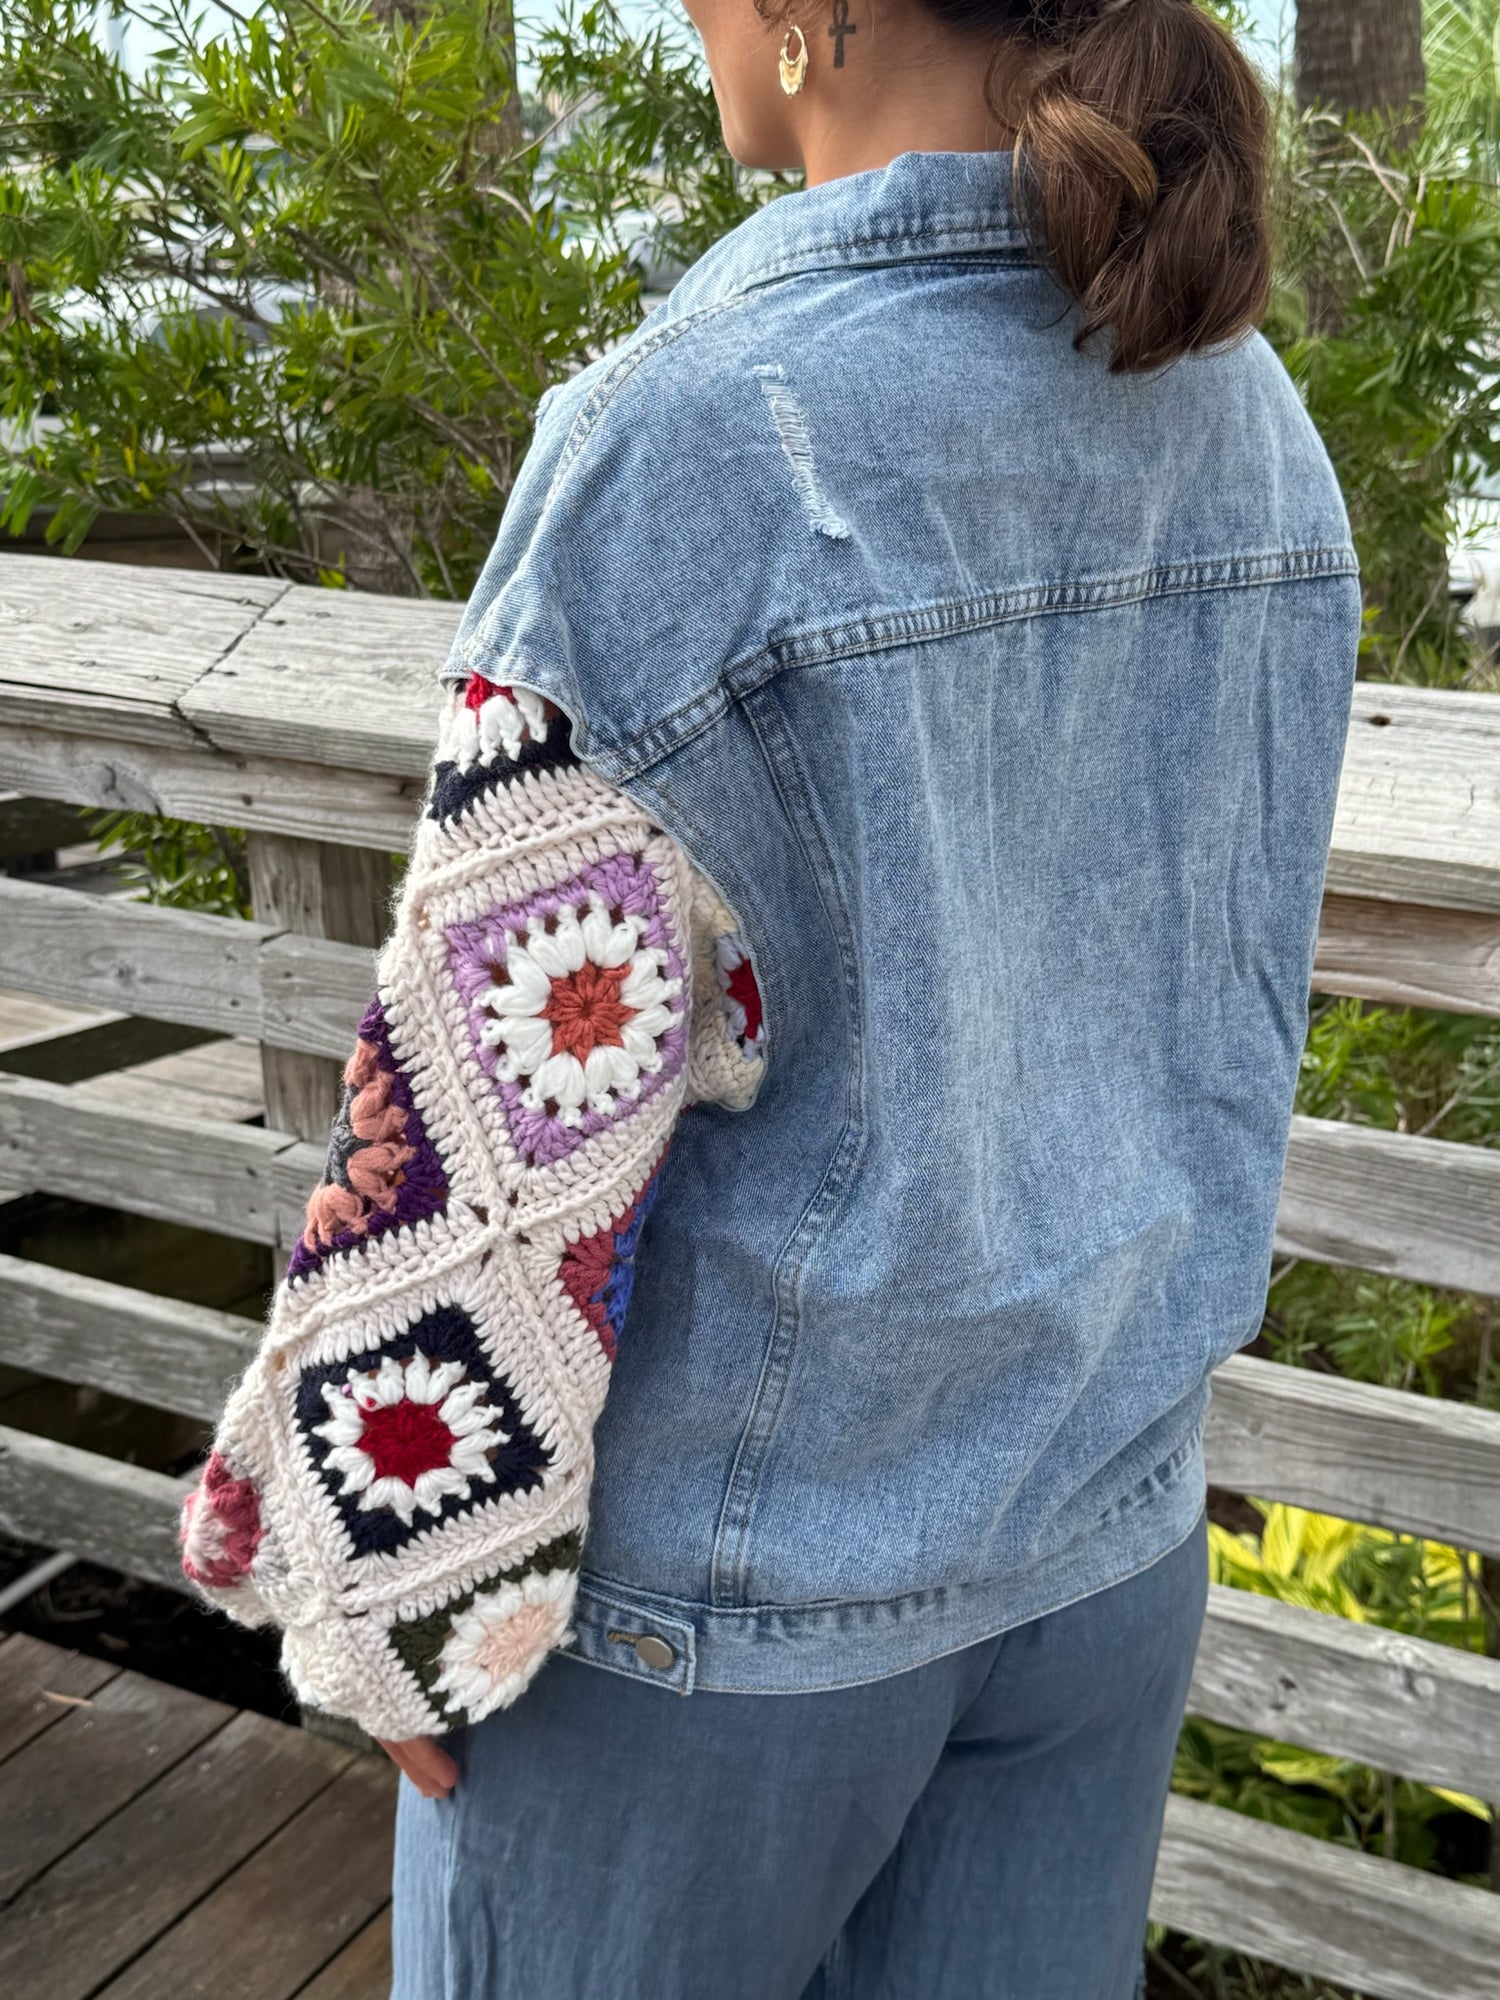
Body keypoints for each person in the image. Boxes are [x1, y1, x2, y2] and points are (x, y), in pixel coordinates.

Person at [178, 0, 1360, 1993]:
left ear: (808, 18)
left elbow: (498, 1102)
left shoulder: (699, 433)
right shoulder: (1238, 407)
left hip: (726, 1623)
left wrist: (395, 1576)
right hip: (1097, 1547)